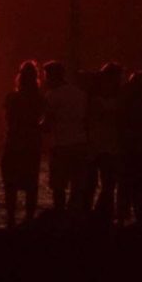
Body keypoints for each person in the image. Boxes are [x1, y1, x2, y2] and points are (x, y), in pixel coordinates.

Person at [0, 61, 45, 227]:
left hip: (13, 142)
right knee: (31, 184)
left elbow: (6, 120)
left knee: (10, 183)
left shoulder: (11, 98)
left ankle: (11, 219)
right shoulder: (40, 99)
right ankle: (29, 219)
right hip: (32, 144)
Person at [41, 60, 89, 212]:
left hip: (60, 145)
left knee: (58, 185)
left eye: (46, 76)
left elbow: (47, 123)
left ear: (52, 76)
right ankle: (74, 214)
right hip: (80, 143)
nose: (45, 80)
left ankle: (59, 214)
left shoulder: (52, 96)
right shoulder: (79, 93)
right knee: (77, 185)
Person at [85, 62, 123, 220]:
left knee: (108, 183)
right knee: (99, 183)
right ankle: (98, 213)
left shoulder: (95, 96)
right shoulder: (95, 97)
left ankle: (101, 212)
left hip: (106, 145)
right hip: (99, 145)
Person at [116, 71, 142, 223]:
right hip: (138, 149)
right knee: (137, 186)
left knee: (125, 185)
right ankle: (139, 216)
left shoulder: (125, 100)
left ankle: (123, 217)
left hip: (127, 149)